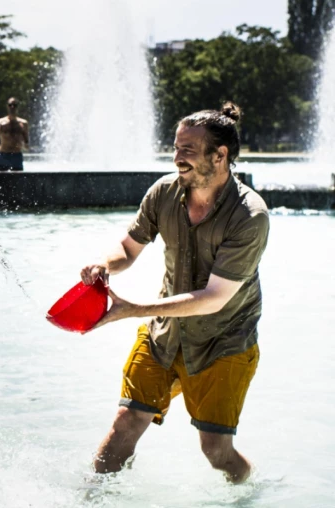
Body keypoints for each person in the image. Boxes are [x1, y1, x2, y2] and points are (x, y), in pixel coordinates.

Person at [81, 102, 267, 484]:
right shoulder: (163, 192)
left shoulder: (250, 216)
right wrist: (104, 263)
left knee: (215, 451)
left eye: (188, 150)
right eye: (176, 147)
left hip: (224, 341)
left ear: (220, 155)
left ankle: (253, 489)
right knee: (126, 424)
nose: (177, 157)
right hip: (164, 334)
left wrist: (132, 309)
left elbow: (215, 297)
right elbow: (129, 248)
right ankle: (91, 499)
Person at [0, 97, 29, 171]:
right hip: (3, 155)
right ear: (7, 106)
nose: (12, 107)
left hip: (16, 156)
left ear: (17, 107)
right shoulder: (0, 122)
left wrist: (25, 146)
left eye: (14, 105)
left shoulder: (24, 123)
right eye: (10, 105)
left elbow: (26, 142)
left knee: (18, 180)